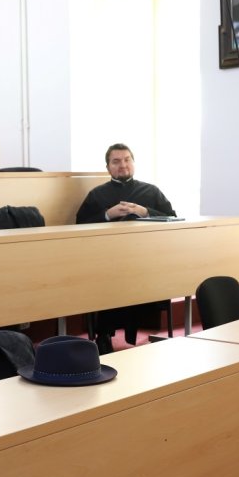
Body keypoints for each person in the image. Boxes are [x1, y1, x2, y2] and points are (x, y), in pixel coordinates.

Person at [76, 144, 176, 353]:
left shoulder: (151, 191)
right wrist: (107, 215)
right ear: (108, 167)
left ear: (133, 162)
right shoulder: (97, 195)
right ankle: (104, 335)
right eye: (116, 161)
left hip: (146, 258)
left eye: (127, 159)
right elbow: (80, 225)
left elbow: (173, 218)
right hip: (108, 260)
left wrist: (145, 211)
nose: (123, 165)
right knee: (110, 280)